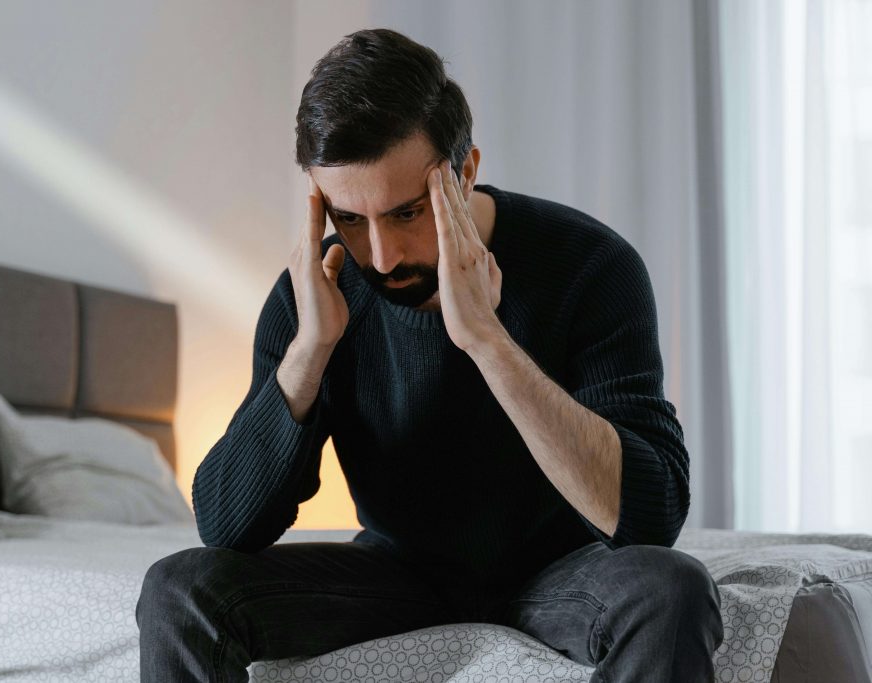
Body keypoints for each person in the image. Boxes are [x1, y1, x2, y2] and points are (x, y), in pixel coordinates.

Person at [136, 27, 723, 683]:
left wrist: (486, 339)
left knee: (671, 588)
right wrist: (311, 348)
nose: (382, 257)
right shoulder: (316, 294)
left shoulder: (591, 265)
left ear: (465, 170)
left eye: (407, 212)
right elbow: (224, 527)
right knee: (179, 586)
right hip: (397, 573)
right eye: (350, 218)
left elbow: (652, 516)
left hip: (564, 573)